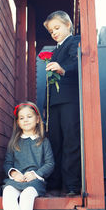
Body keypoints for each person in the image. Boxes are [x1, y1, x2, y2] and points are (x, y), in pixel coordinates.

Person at [0, 101, 54, 210]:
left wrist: (36, 174)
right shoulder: (14, 142)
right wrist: (14, 173)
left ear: (38, 119)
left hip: (34, 181)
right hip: (16, 180)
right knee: (8, 193)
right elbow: (7, 163)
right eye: (21, 118)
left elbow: (50, 164)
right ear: (17, 122)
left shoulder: (43, 141)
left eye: (29, 116)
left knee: (27, 196)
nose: (26, 120)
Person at [43, 10, 81, 196]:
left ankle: (72, 185)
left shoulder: (74, 42)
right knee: (55, 142)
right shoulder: (55, 50)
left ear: (68, 25)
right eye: (51, 31)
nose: (54, 33)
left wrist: (62, 69)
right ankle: (55, 184)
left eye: (57, 28)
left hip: (69, 101)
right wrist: (45, 107)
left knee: (71, 141)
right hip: (54, 104)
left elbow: (78, 63)